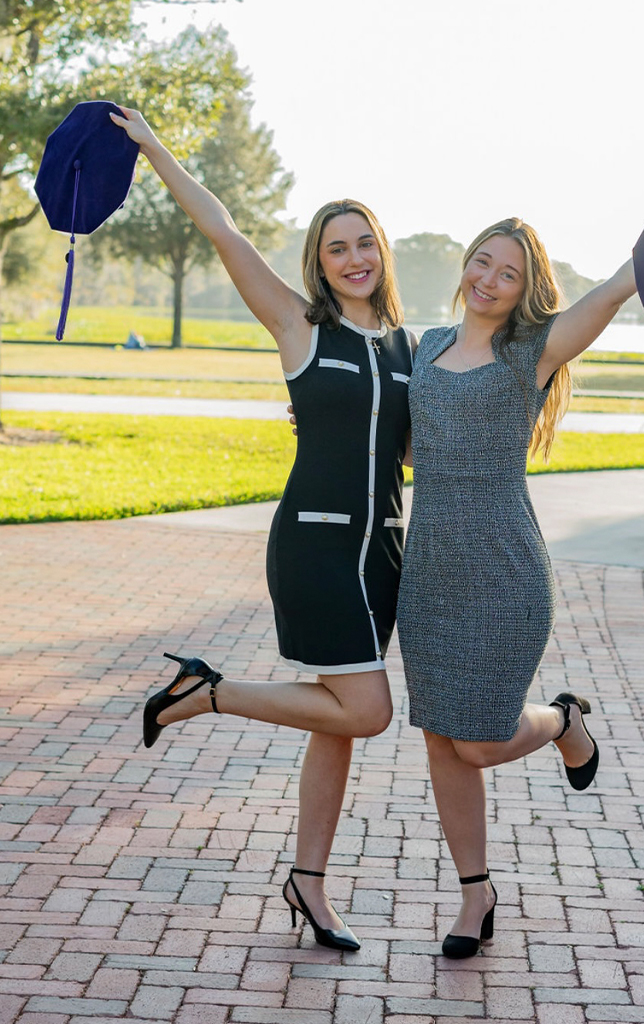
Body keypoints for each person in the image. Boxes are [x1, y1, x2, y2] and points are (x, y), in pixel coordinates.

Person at [110, 107, 415, 953]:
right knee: (369, 710)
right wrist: (154, 147)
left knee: (338, 719)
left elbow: (419, 447)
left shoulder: (405, 346)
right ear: (318, 264)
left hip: (383, 553)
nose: (354, 258)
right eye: (335, 247)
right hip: (317, 551)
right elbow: (222, 227)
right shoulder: (299, 327)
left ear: (381, 251)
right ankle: (208, 693)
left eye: (364, 243)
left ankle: (309, 886)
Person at [395, 177, 644, 958]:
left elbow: (614, 291)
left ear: (526, 289)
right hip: (429, 574)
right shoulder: (427, 346)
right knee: (442, 739)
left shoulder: (530, 353)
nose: (488, 279)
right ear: (465, 265)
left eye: (508, 272)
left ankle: (562, 720)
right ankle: (475, 897)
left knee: (476, 739)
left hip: (504, 571)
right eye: (482, 262)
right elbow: (404, 446)